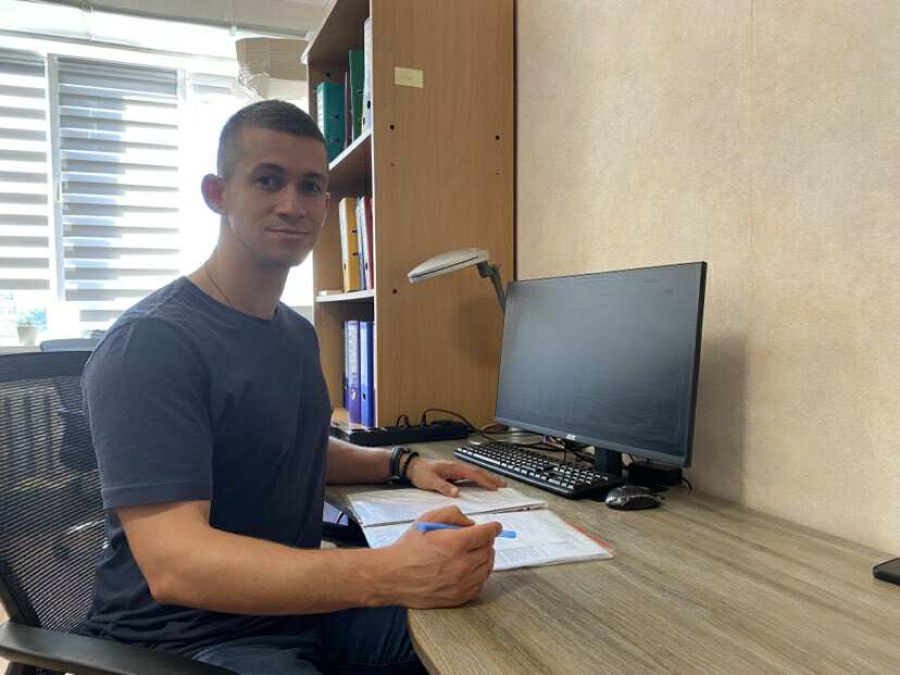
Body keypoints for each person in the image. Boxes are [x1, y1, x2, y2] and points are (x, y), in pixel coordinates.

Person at [80, 100, 506, 675]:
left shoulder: (294, 332)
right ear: (217, 194)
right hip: (184, 641)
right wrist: (387, 572)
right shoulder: (153, 343)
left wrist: (403, 464)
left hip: (297, 611)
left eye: (310, 186)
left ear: (326, 205)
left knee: (497, 634)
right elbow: (176, 565)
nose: (292, 204)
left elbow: (291, 445)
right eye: (267, 180)